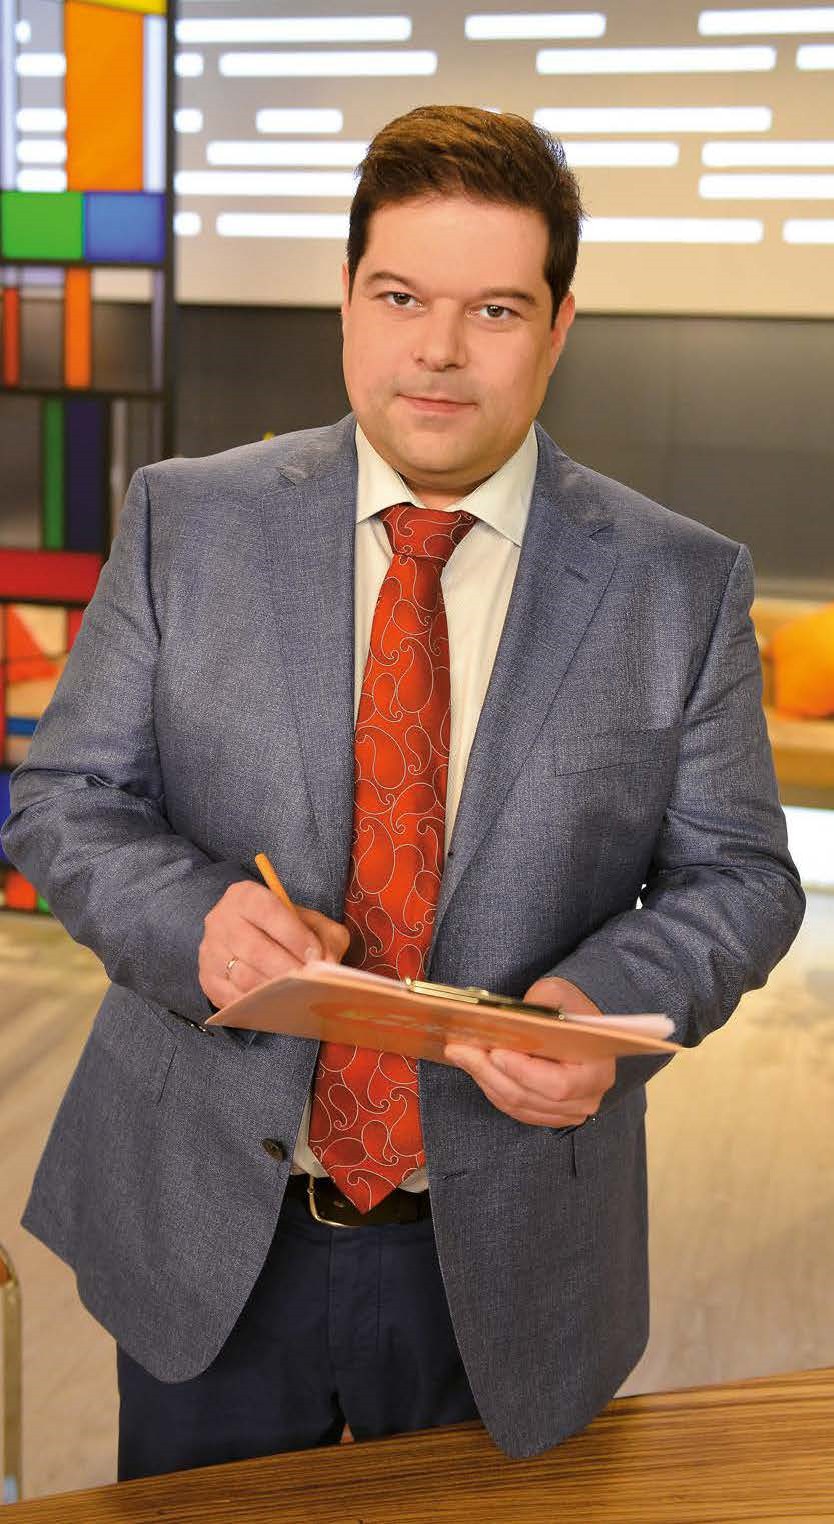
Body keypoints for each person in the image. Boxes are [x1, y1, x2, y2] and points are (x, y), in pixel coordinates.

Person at [2, 105, 804, 1477]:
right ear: (345, 302)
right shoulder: (188, 520)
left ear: (557, 328)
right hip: (206, 1220)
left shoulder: (677, 583)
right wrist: (196, 921)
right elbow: (66, 799)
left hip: (507, 1246)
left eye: (494, 308)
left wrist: (596, 1006)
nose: (437, 349)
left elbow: (741, 877)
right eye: (399, 297)